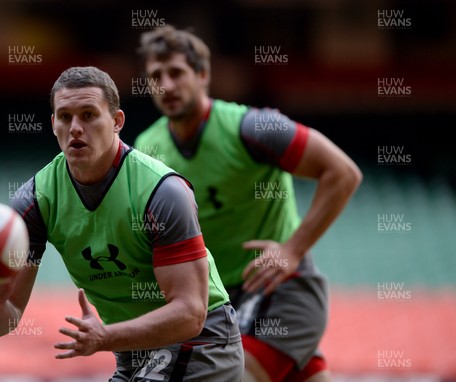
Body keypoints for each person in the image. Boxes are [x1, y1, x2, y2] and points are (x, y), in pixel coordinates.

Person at [0, 66, 244, 381]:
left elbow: (191, 313)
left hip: (201, 344)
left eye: (89, 115)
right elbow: (7, 321)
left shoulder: (162, 192)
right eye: (65, 117)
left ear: (116, 122)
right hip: (131, 351)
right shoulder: (35, 201)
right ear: (53, 124)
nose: (75, 128)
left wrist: (106, 337)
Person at [134, 25, 362, 382]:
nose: (166, 84)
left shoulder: (253, 127)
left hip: (280, 289)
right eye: (155, 76)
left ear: (203, 75)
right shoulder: (147, 148)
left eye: (176, 72)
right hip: (221, 306)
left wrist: (293, 249)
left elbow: (344, 172)